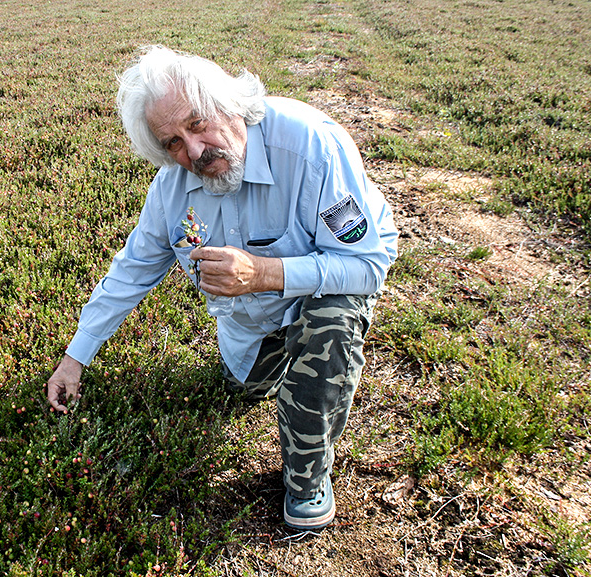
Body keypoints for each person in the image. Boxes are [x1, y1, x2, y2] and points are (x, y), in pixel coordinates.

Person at [46, 46, 398, 530]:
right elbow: (132, 270)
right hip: (248, 330)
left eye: (197, 124)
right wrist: (75, 357)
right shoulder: (172, 188)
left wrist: (263, 273)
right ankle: (273, 365)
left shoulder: (312, 145)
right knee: (245, 386)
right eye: (172, 142)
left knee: (332, 321)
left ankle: (308, 476)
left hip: (318, 297)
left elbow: (367, 265)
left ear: (228, 103)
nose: (193, 152)